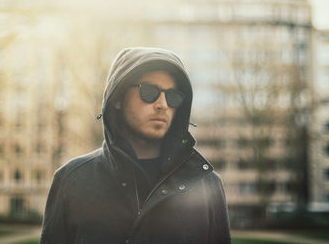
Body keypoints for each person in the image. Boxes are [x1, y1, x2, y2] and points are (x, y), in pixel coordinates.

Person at [40, 47, 231, 244]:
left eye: (173, 97)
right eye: (149, 92)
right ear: (118, 99)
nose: (163, 104)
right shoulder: (72, 181)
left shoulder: (207, 185)